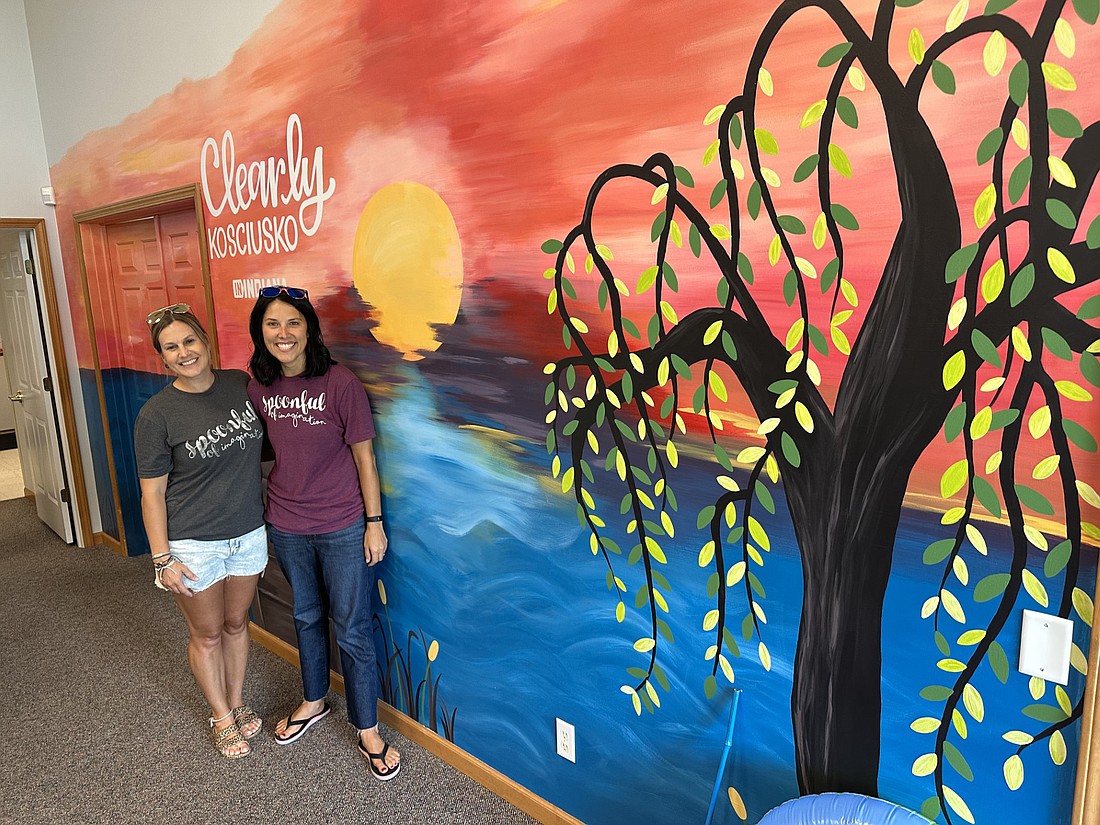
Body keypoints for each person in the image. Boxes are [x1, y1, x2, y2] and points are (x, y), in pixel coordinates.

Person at [247, 285, 401, 781]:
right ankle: (314, 700)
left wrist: (373, 525)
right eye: (272, 324)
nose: (283, 333)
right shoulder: (258, 387)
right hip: (287, 524)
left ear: (309, 328)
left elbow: (364, 459)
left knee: (353, 628)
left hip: (341, 525)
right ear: (261, 333)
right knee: (306, 616)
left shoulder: (340, 384)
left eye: (293, 322)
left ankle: (368, 729)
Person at [134, 304, 267, 758]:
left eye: (189, 341)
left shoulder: (238, 385)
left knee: (236, 623)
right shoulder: (157, 414)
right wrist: (161, 559)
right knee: (207, 633)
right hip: (193, 543)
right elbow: (151, 495)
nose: (184, 352)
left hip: (249, 533)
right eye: (171, 348)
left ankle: (236, 700)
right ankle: (221, 716)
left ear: (205, 342)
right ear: (163, 359)